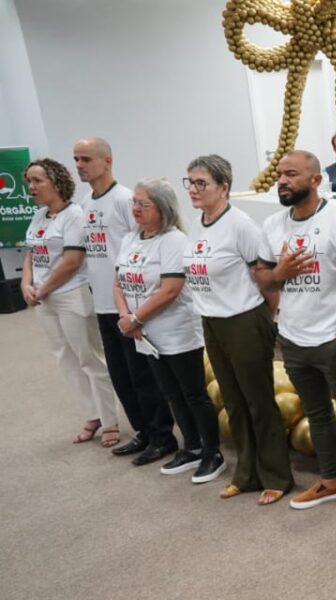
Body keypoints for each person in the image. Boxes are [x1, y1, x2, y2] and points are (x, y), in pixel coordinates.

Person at [256, 150, 336, 520]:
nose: (282, 180)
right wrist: (279, 272)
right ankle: (332, 480)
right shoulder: (273, 226)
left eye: (291, 174)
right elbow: (263, 278)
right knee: (316, 413)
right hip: (293, 340)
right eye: (280, 174)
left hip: (333, 339)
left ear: (315, 180)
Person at [184, 154, 294, 504]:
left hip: (244, 320)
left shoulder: (242, 225)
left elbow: (267, 280)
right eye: (190, 182)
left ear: (224, 188)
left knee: (258, 401)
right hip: (212, 322)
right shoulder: (198, 222)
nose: (194, 189)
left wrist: (265, 321)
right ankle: (246, 474)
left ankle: (277, 475)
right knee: (233, 401)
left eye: (202, 183)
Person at [113, 178, 225, 482]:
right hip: (145, 333)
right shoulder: (130, 239)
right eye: (133, 202)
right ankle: (191, 448)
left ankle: (212, 452)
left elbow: (170, 290)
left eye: (142, 204)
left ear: (161, 208)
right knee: (170, 393)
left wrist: (134, 318)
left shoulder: (174, 240)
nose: (135, 209)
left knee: (193, 394)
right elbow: (118, 281)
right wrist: (126, 316)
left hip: (177, 331)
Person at [74, 137, 175, 458]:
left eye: (86, 159)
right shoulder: (87, 203)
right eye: (76, 159)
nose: (79, 165)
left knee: (142, 377)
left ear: (107, 161)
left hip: (132, 308)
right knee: (121, 377)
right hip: (105, 303)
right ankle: (143, 432)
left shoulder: (124, 200)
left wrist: (135, 310)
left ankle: (162, 437)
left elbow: (146, 243)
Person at [20, 158, 120, 446]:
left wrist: (43, 289)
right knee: (64, 357)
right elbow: (32, 254)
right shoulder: (40, 216)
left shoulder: (75, 215)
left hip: (71, 294)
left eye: (38, 180)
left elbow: (73, 260)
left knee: (89, 357)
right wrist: (27, 284)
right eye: (29, 181)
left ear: (56, 181)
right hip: (44, 298)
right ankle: (93, 414)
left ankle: (110, 420)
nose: (32, 186)